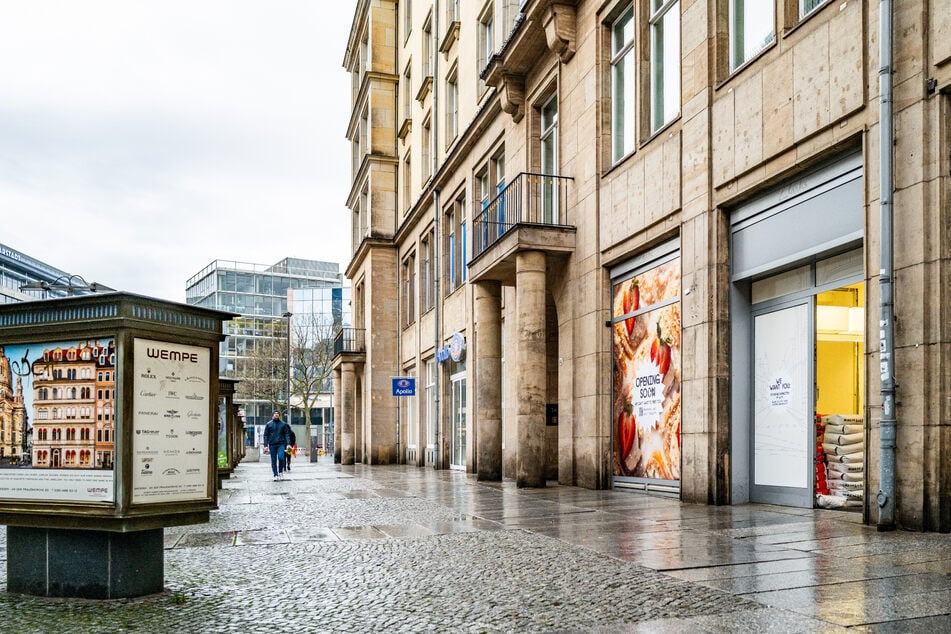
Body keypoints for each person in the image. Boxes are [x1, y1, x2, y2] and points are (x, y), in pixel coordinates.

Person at [263, 411, 291, 481]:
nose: (276, 416)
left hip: (281, 444)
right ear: (272, 416)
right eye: (275, 415)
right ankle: (275, 474)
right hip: (272, 445)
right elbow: (266, 435)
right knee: (273, 460)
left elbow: (286, 434)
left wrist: (288, 444)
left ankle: (280, 472)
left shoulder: (283, 424)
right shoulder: (269, 424)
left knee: (281, 458)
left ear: (279, 416)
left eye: (277, 415)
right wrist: (266, 445)